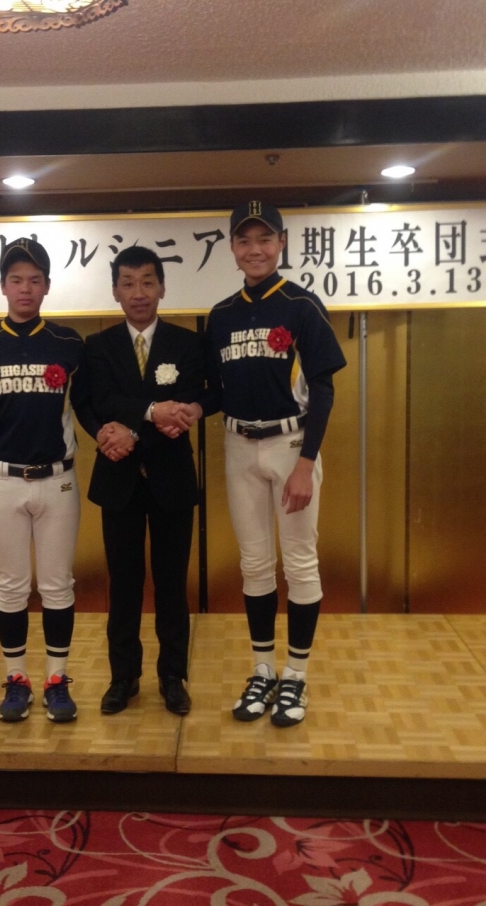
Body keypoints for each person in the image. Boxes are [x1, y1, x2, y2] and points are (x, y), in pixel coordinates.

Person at [185, 201, 346, 727]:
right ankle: (262, 669)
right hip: (239, 446)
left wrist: (306, 463)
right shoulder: (221, 315)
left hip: (291, 444)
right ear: (232, 248)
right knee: (254, 563)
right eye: (244, 240)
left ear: (281, 243)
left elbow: (323, 389)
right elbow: (215, 391)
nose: (254, 249)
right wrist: (192, 409)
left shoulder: (302, 306)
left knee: (299, 562)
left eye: (264, 239)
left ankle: (296, 675)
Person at [0, 237, 105, 725]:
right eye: (16, 279)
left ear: (48, 286)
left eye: (35, 280)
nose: (25, 288)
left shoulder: (68, 344)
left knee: (57, 585)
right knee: (10, 587)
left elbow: (88, 407)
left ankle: (57, 680)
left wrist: (110, 434)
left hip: (57, 481)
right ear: (2, 286)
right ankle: (16, 679)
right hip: (0, 481)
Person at [86, 245, 203, 716]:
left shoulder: (187, 343)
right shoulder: (97, 346)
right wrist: (133, 421)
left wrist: (140, 426)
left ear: (162, 288)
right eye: (129, 283)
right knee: (124, 584)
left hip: (172, 479)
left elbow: (191, 398)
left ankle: (172, 677)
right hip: (118, 478)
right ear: (115, 291)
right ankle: (123, 677)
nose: (139, 292)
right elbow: (96, 401)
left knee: (172, 584)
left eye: (148, 282)